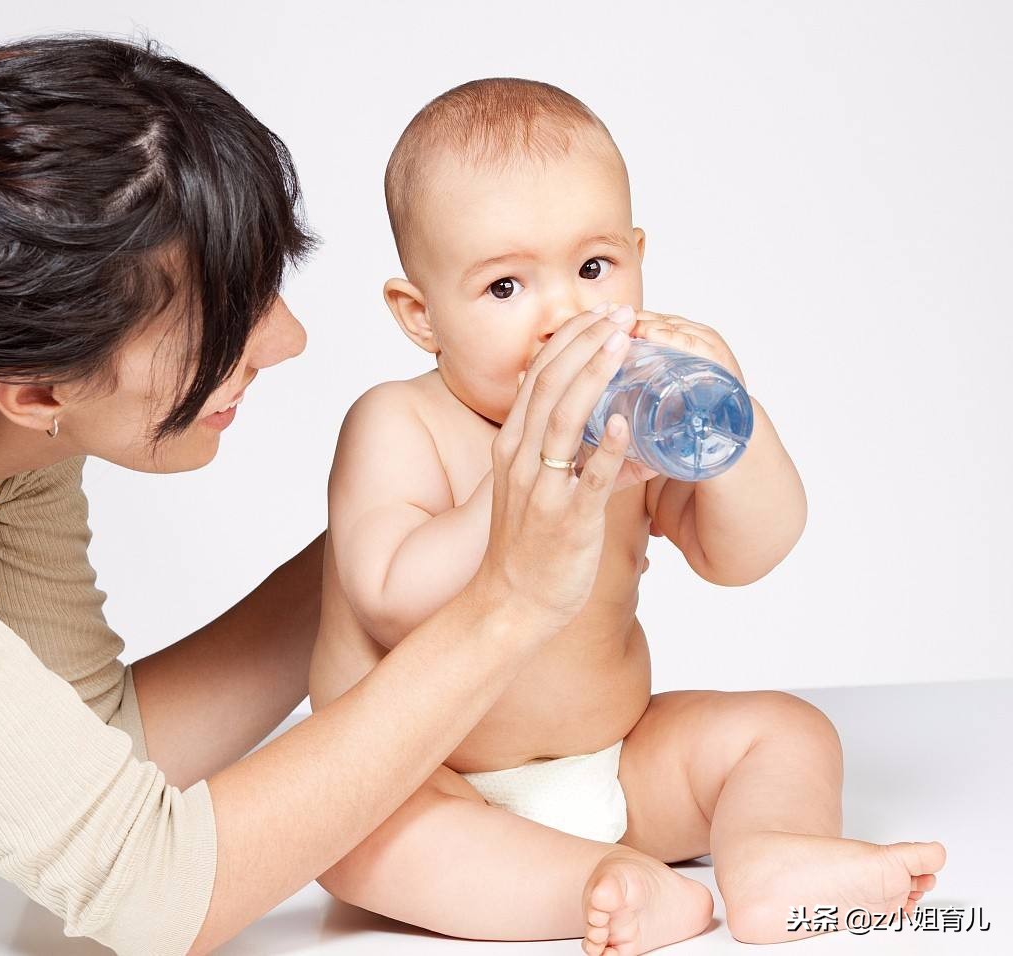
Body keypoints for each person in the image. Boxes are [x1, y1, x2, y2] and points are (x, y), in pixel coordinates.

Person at [0, 38, 642, 956]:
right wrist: (508, 604)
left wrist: (455, 523)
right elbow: (144, 892)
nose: (287, 338)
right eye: (224, 317)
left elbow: (103, 749)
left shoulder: (18, 449)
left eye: (268, 284)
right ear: (40, 393)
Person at [310, 78, 947, 953]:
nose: (564, 313)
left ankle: (771, 861)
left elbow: (747, 552)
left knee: (785, 730)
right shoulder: (398, 421)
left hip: (618, 761)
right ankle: (603, 887)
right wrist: (522, 476)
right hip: (439, 782)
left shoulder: (632, 425)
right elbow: (387, 593)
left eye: (594, 267)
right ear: (420, 315)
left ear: (638, 256)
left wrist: (735, 420)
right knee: (353, 836)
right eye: (504, 287)